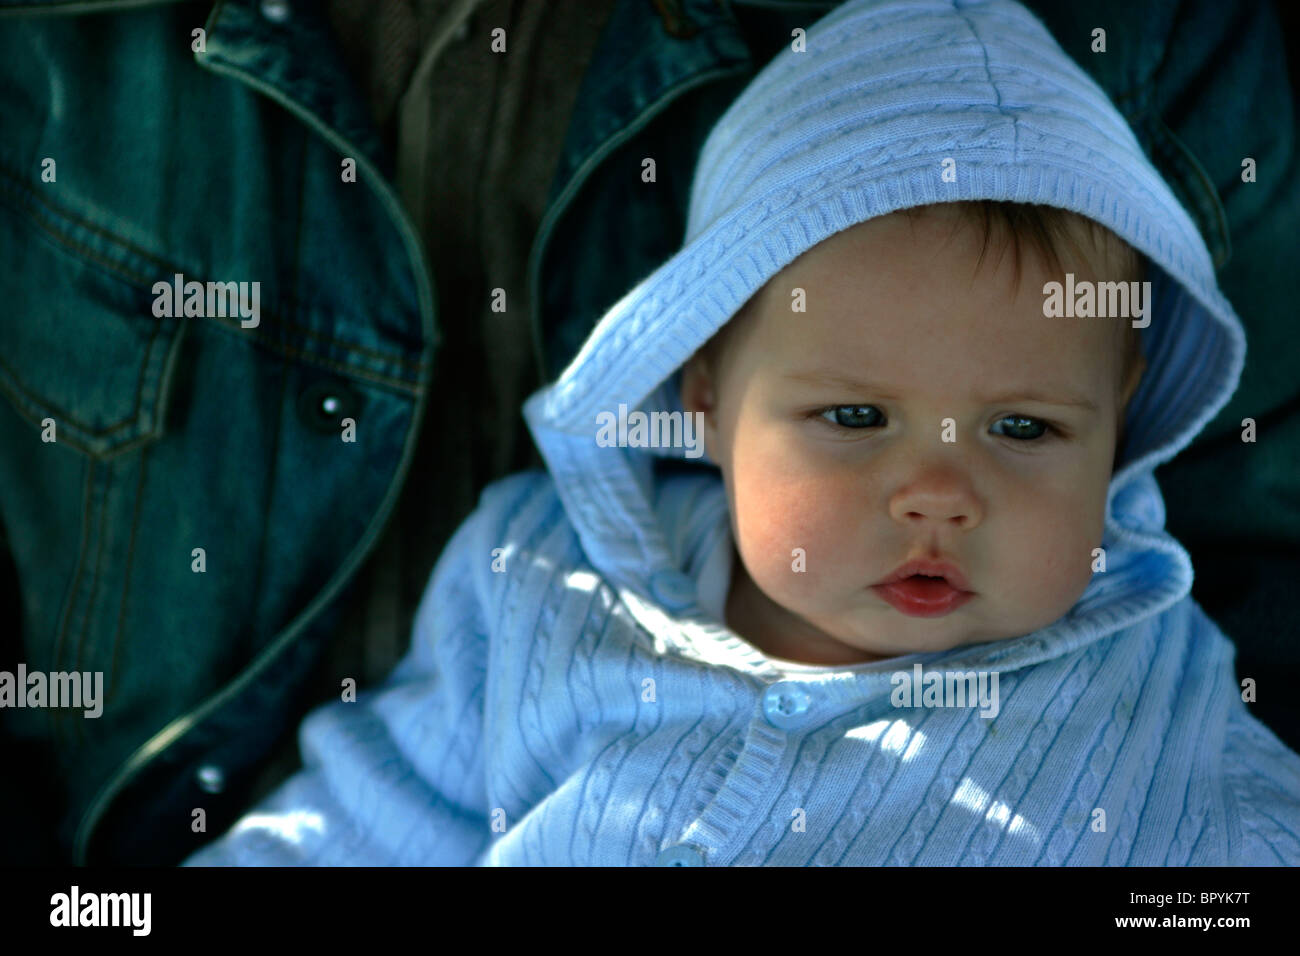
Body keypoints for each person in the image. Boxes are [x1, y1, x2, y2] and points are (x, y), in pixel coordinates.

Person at [2, 0, 1296, 867]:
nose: (941, 493)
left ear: (1119, 431)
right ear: (700, 400)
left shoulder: (1155, 691)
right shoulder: (539, 590)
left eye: (1024, 427)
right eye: (853, 418)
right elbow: (360, 825)